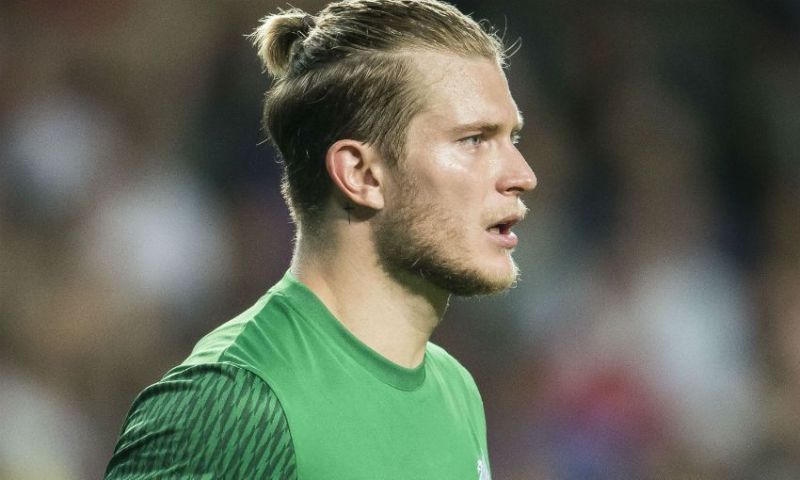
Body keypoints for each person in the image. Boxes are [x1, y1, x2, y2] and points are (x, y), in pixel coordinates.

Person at [105, 0, 536, 478]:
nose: (522, 175)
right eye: (474, 139)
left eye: (510, 140)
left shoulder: (456, 390)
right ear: (361, 175)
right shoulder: (234, 402)